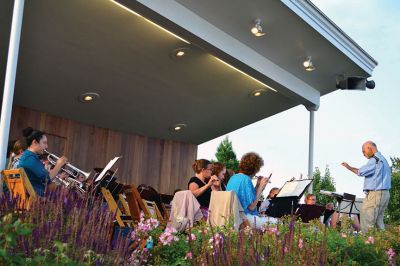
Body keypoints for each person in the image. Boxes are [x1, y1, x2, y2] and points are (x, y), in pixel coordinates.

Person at [341, 141, 391, 231]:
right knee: (378, 222)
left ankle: (368, 244)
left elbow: (361, 172)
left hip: (376, 194)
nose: (364, 154)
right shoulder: (383, 159)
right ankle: (382, 243)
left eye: (364, 151)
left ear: (369, 148)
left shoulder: (375, 160)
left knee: (367, 221)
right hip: (384, 194)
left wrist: (349, 167)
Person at [227, 152, 274, 228]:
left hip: (234, 216)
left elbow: (250, 197)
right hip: (244, 218)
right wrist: (261, 188)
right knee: (277, 223)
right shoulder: (246, 179)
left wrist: (257, 185)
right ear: (255, 169)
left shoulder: (234, 177)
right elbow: (251, 207)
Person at [18, 127, 68, 197]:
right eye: (44, 143)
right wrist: (59, 165)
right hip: (36, 199)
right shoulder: (30, 158)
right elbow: (47, 179)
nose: (46, 146)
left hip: (37, 195)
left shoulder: (29, 157)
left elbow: (46, 179)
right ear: (34, 142)